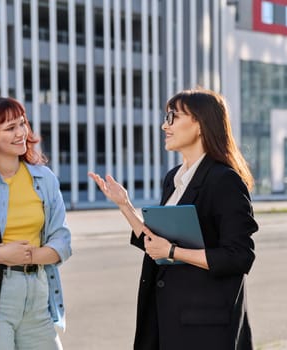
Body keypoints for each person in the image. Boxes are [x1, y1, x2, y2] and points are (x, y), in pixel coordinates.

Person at [89, 88, 259, 350]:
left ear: (200, 123)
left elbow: (239, 256)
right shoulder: (174, 178)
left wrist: (173, 251)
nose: (164, 125)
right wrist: (124, 205)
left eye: (173, 117)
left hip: (205, 326)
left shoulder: (225, 181)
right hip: (166, 316)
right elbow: (156, 242)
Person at [0, 96, 72, 349]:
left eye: (22, 124)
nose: (21, 133)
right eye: (10, 128)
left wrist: (27, 256)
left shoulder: (44, 179)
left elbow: (62, 242)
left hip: (39, 293)